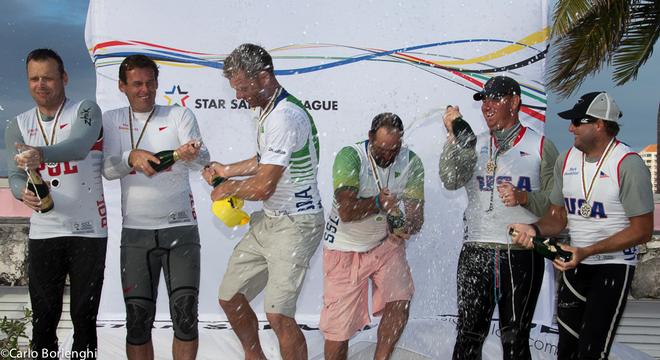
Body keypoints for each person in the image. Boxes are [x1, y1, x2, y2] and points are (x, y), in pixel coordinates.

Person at [509, 91, 654, 359]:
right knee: (566, 350)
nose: (570, 127)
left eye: (577, 122)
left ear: (599, 124)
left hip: (612, 267)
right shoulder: (566, 160)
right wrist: (535, 229)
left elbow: (642, 230)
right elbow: (557, 217)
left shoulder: (628, 163)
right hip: (575, 264)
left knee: (591, 351)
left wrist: (587, 251)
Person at [202, 43, 324, 360]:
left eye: (242, 87)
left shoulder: (285, 117)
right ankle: (254, 356)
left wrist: (227, 188)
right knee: (231, 298)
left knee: (278, 314)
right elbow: (264, 160)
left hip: (298, 223)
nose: (239, 96)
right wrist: (226, 169)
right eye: (236, 89)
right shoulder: (266, 109)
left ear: (264, 77)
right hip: (269, 222)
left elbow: (263, 188)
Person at [439, 76, 559, 359]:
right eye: (484, 100)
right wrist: (452, 140)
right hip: (476, 250)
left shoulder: (541, 145)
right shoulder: (474, 143)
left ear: (515, 102)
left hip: (519, 254)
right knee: (468, 336)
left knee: (515, 338)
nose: (488, 106)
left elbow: (555, 210)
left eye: (496, 99)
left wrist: (525, 197)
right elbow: (451, 179)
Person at [102, 54, 209, 360]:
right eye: (136, 83)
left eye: (150, 82)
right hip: (136, 233)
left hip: (180, 230)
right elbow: (108, 169)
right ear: (123, 86)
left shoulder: (178, 115)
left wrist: (190, 154)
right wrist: (129, 157)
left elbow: (202, 159)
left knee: (185, 318)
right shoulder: (112, 119)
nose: (145, 89)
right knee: (137, 322)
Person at [4, 48, 106, 359]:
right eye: (34, 79)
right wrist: (22, 192)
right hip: (45, 232)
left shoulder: (86, 110)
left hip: (88, 232)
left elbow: (78, 146)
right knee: (43, 321)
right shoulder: (18, 124)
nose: (41, 84)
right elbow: (14, 174)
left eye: (48, 77)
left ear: (64, 78)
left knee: (84, 320)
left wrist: (41, 155)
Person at [319, 113, 424, 360]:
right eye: (381, 149)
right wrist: (379, 203)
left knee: (400, 301)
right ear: (369, 138)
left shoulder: (411, 161)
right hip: (344, 247)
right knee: (339, 329)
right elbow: (346, 211)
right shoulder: (350, 156)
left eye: (393, 150)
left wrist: (407, 225)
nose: (388, 156)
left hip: (385, 245)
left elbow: (417, 217)